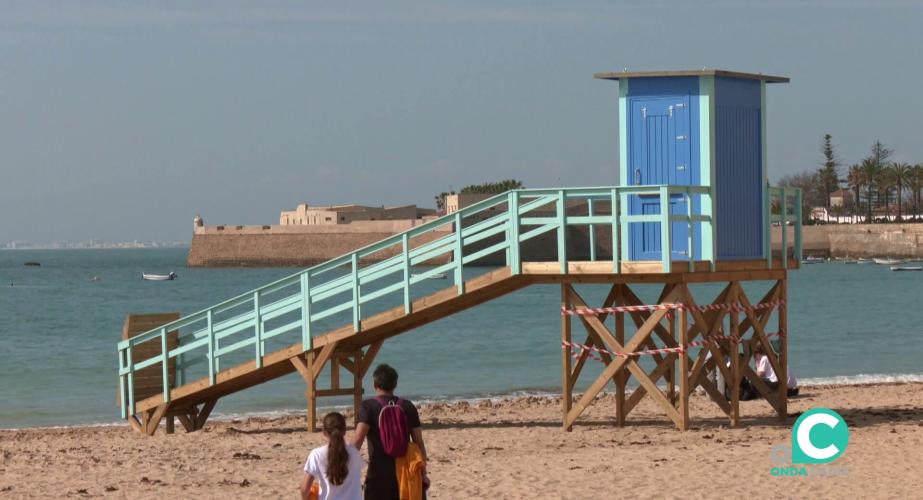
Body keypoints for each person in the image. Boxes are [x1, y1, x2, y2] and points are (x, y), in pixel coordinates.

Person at [352, 364, 429, 500]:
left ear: (375, 384)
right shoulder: (407, 406)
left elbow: (357, 441)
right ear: (395, 384)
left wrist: (346, 468)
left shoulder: (368, 406)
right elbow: (419, 442)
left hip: (378, 472)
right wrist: (423, 474)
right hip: (405, 471)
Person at [300, 412, 364, 500]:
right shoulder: (354, 453)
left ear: (324, 432)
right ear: (344, 431)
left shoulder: (316, 454)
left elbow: (304, 489)